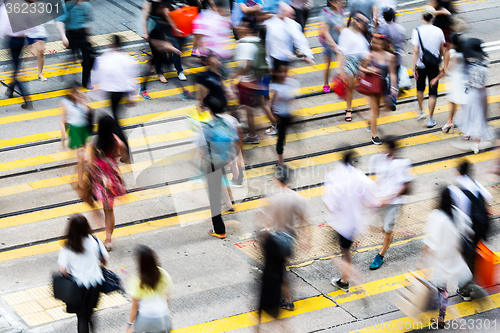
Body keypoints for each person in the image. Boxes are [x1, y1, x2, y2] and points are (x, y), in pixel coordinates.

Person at [256, 166, 309, 324]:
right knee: (281, 268)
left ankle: (287, 300)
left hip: (278, 240)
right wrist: (306, 239)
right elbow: (304, 221)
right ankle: (286, 297)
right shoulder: (296, 197)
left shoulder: (274, 197)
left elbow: (268, 223)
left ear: (277, 180)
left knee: (278, 270)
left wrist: (264, 242)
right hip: (290, 239)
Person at [323, 151, 378, 292]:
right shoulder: (359, 175)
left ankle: (347, 279)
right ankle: (345, 279)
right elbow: (370, 197)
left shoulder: (336, 177)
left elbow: (331, 206)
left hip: (343, 225)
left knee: (337, 253)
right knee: (345, 251)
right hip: (354, 224)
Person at [419, 187, 472, 329]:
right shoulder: (457, 213)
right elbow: (468, 229)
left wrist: (422, 260)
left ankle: (458, 324)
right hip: (455, 258)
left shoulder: (436, 216)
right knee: (444, 290)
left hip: (442, 261)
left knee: (442, 292)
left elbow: (429, 242)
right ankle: (442, 318)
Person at [449, 160, 493, 302]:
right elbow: (488, 198)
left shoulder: (458, 189)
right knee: (471, 257)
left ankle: (465, 290)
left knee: (465, 261)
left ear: (458, 172)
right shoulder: (475, 184)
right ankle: (469, 284)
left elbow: (457, 213)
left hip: (467, 232)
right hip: (479, 228)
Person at [58, 214, 109, 333]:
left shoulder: (67, 248)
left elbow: (63, 270)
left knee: (81, 317)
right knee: (90, 311)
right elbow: (105, 260)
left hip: (79, 286)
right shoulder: (95, 241)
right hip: (96, 283)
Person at [368, 137, 413, 270]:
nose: (385, 151)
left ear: (392, 150)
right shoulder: (381, 161)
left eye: (387, 149)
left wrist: (388, 199)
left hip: (393, 203)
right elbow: (378, 179)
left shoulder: (403, 164)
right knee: (385, 229)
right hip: (381, 202)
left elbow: (405, 186)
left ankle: (380, 256)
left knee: (387, 230)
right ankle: (389, 236)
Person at [93, 34, 139, 156]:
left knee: (115, 121)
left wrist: (98, 94)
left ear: (112, 44)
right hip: (122, 93)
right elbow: (131, 77)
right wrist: (132, 96)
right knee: (116, 119)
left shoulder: (105, 58)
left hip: (112, 93)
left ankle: (123, 148)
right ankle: (117, 146)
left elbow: (98, 75)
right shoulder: (126, 58)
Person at [201, 97, 239, 239]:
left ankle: (219, 230)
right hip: (225, 160)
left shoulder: (208, 126)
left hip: (212, 163)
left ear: (210, 110)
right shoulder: (228, 123)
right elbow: (233, 145)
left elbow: (205, 148)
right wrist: (235, 166)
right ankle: (228, 203)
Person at [89, 115, 128, 250]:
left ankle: (108, 239)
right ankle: (108, 239)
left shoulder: (95, 144)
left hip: (101, 181)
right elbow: (123, 153)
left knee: (104, 210)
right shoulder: (115, 141)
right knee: (109, 211)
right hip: (112, 180)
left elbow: (91, 163)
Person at [456, 38, 494, 154]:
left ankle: (476, 144)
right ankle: (475, 141)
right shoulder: (484, 63)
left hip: (474, 94)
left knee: (475, 117)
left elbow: (473, 83)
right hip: (482, 93)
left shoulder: (474, 67)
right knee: (479, 117)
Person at [359, 33, 397, 145]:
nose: (375, 45)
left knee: (385, 110)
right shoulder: (369, 55)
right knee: (375, 112)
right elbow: (361, 67)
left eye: (378, 43)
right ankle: (374, 136)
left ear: (384, 44)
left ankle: (369, 121)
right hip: (372, 85)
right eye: (374, 43)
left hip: (383, 85)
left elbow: (393, 73)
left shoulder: (390, 56)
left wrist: (394, 87)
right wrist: (370, 70)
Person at [126, 246, 173, 333]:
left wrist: (129, 325)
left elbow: (134, 306)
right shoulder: (163, 274)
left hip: (145, 318)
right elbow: (167, 298)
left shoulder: (137, 280)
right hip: (162, 316)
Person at [411, 5, 445, 128]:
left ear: (422, 17)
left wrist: (413, 66)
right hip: (434, 65)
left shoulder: (416, 31)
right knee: (432, 92)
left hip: (421, 64)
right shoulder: (439, 31)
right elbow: (442, 50)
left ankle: (421, 110)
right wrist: (438, 59)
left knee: (420, 89)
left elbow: (415, 51)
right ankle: (430, 118)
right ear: (433, 18)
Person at [232, 20, 263, 144]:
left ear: (248, 29)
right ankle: (246, 127)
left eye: (242, 25)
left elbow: (247, 66)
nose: (239, 27)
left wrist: (235, 74)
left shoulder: (244, 44)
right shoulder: (253, 41)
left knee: (248, 109)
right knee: (255, 105)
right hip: (252, 78)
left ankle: (252, 135)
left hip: (247, 80)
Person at [430, 34, 466, 133]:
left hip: (455, 81)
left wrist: (436, 79)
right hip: (463, 80)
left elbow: (446, 70)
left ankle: (463, 126)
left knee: (456, 102)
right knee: (457, 102)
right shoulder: (464, 53)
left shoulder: (452, 54)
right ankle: (449, 122)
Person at [337, 12, 370, 122]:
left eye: (366, 23)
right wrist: (341, 69)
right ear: (355, 21)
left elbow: (366, 53)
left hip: (362, 64)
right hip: (350, 62)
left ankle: (370, 111)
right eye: (362, 21)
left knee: (366, 88)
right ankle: (349, 110)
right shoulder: (346, 32)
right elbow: (341, 52)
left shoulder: (364, 36)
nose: (364, 24)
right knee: (349, 88)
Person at [0, 1, 33, 109]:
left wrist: (3, 36)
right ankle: (10, 90)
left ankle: (27, 99)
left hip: (12, 40)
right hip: (21, 40)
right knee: (16, 65)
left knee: (16, 68)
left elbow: (3, 25)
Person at [60, 83, 93, 189]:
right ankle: (79, 182)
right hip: (75, 131)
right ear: (71, 93)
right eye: (76, 92)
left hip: (84, 130)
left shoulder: (82, 101)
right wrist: (64, 137)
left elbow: (89, 112)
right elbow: (62, 120)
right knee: (82, 157)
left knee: (82, 158)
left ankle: (77, 177)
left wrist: (84, 101)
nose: (78, 94)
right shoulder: (65, 103)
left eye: (79, 92)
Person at [56, 0, 94, 89]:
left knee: (87, 59)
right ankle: (67, 76)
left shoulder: (86, 6)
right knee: (72, 58)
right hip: (71, 34)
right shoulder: (68, 6)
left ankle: (86, 82)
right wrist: (63, 36)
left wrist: (89, 36)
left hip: (82, 34)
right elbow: (59, 21)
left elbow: (89, 22)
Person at [263, 3, 315, 68]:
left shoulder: (291, 23)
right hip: (274, 57)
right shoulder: (269, 25)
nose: (292, 17)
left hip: (282, 58)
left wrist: (307, 55)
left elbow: (299, 38)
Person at [269, 60, 299, 167]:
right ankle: (280, 161)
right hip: (281, 116)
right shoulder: (276, 87)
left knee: (291, 136)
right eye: (281, 72)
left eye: (285, 71)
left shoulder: (289, 82)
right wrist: (276, 118)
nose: (284, 74)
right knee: (281, 139)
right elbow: (272, 106)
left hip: (289, 115)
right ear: (276, 72)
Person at [319, 0, 345, 94]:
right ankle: (326, 84)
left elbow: (344, 25)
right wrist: (334, 45)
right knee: (327, 65)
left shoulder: (340, 11)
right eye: (338, 1)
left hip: (338, 43)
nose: (341, 2)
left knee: (341, 65)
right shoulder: (326, 12)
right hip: (328, 44)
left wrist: (341, 26)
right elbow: (325, 32)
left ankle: (341, 84)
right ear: (332, 2)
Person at [375, 8, 406, 79]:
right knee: (395, 80)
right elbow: (403, 42)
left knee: (382, 80)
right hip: (397, 59)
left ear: (383, 16)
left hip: (384, 59)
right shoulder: (401, 29)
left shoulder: (381, 29)